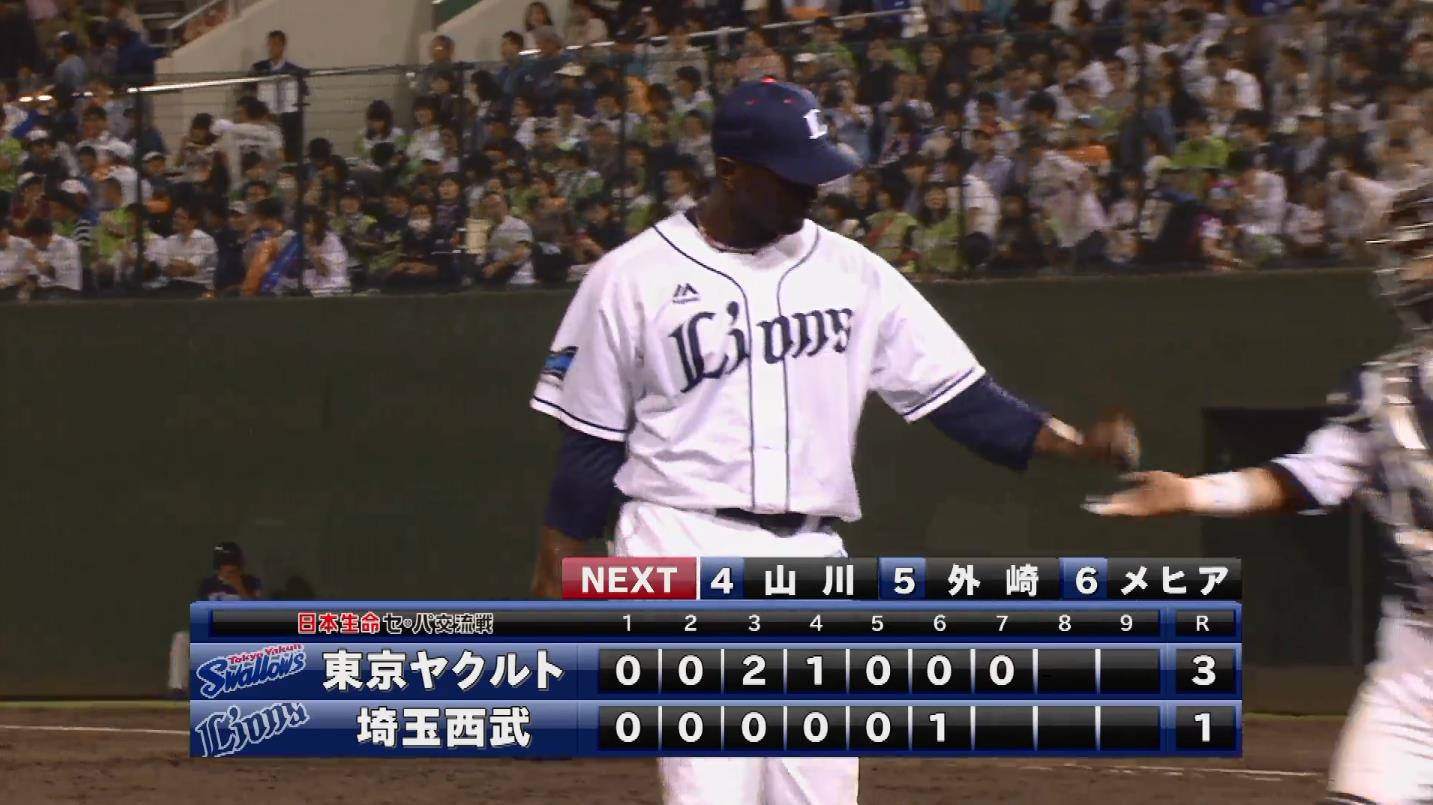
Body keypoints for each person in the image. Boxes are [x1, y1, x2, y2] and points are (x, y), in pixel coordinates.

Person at [527, 79, 1139, 805]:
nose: (810, 190)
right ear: (729, 171)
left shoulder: (855, 272)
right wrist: (557, 572)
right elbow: (590, 443)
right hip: (680, 539)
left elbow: (959, 395)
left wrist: (1069, 444)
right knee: (710, 788)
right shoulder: (628, 277)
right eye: (791, 175)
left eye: (817, 171)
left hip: (811, 554)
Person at [1086, 182, 1433, 805]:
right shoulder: (1385, 390)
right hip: (1416, 663)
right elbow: (1309, 476)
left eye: (1421, 249)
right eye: (1405, 251)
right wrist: (1194, 494)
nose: (1407, 266)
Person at [248, 30, 307, 162]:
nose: (272, 48)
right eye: (270, 44)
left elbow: (302, 91)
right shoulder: (258, 68)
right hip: (264, 117)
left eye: (276, 44)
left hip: (287, 119)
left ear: (283, 46)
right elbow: (249, 89)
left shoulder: (294, 70)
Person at [156, 205, 216, 297]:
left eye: (181, 217)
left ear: (193, 222)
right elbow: (166, 269)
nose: (176, 220)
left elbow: (190, 269)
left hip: (199, 285)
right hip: (174, 284)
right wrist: (179, 266)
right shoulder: (170, 240)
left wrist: (175, 265)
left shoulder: (205, 239)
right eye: (175, 216)